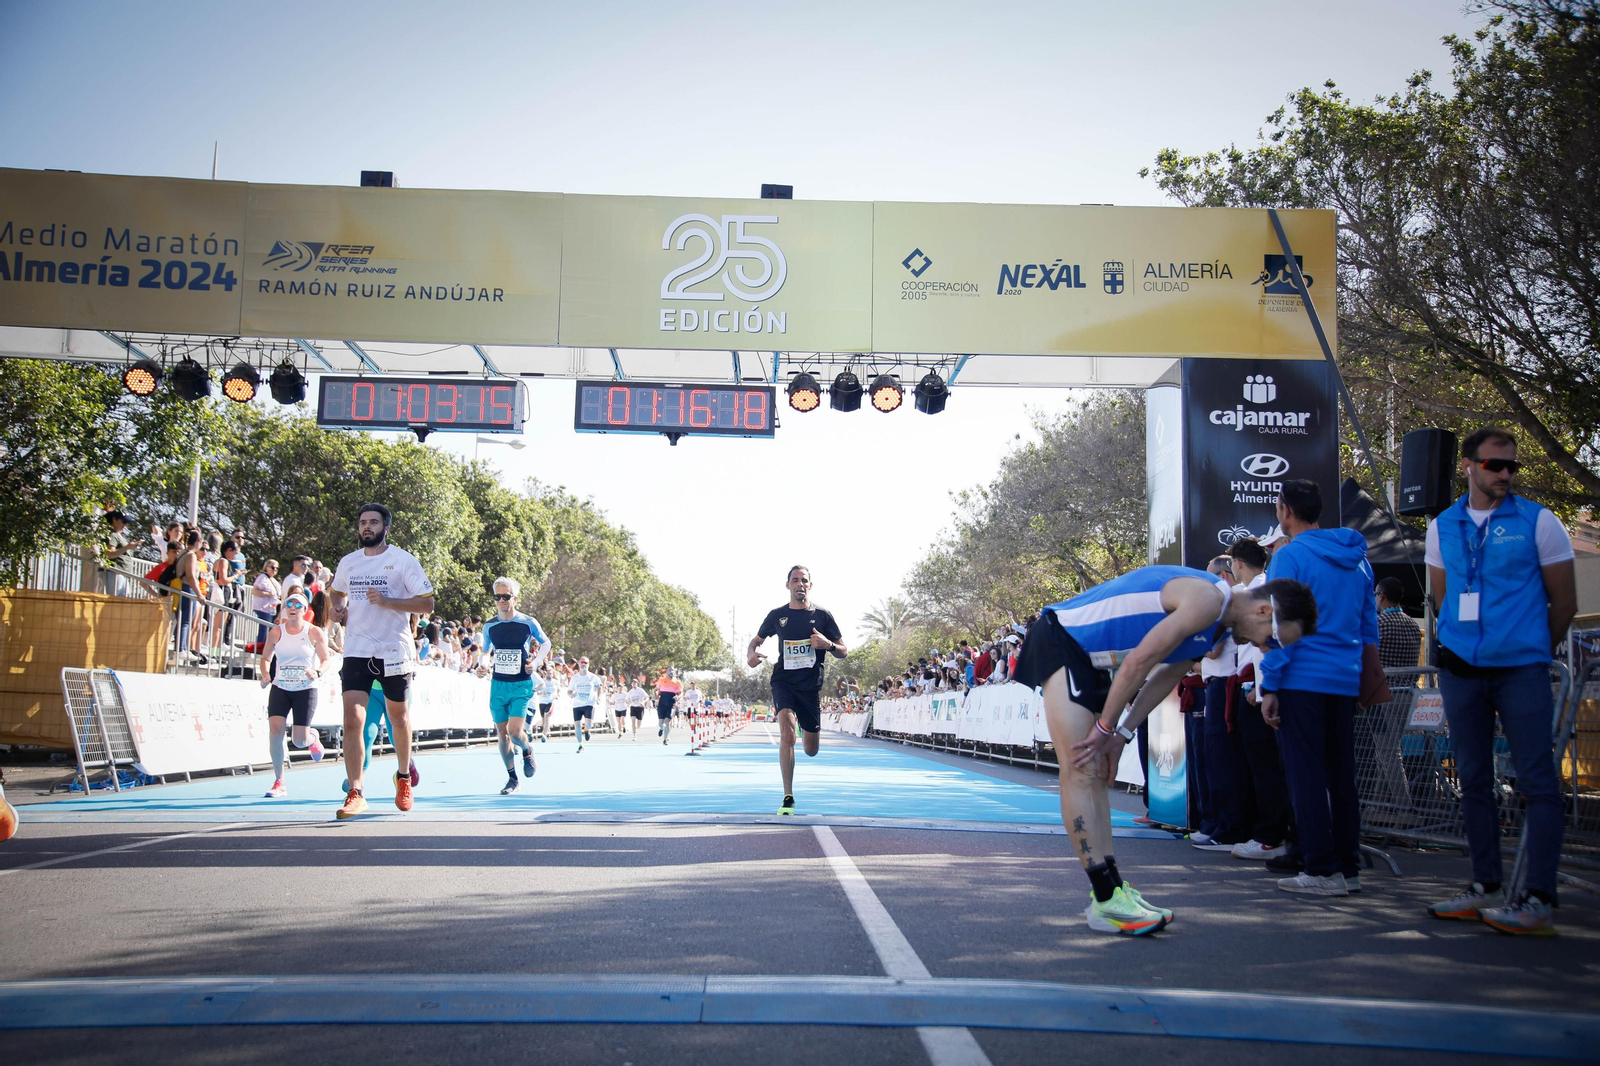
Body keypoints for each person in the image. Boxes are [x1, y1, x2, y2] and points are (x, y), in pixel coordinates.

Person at [1012, 564, 1317, 936]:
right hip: (1061, 637)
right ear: (1264, 610)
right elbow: (1138, 662)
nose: (1264, 648)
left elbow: (1164, 678)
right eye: (1274, 640)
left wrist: (1121, 734)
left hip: (1090, 657)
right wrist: (1106, 727)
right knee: (1080, 768)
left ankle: (1112, 890)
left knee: (1095, 771)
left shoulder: (1215, 625)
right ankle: (1105, 898)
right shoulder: (1208, 600)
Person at [1425, 427, 1576, 934]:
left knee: (1537, 781)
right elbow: (1444, 600)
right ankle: (1485, 885)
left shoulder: (1540, 520)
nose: (1506, 474)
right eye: (1495, 465)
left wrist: (1530, 648)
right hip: (1462, 673)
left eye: (1512, 466)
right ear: (1468, 466)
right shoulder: (1442, 526)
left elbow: (1565, 603)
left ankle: (1538, 898)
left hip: (1520, 671)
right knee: (1472, 780)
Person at [1258, 479, 1379, 898]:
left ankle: (1321, 869)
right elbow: (1368, 627)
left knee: (1306, 776)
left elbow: (1282, 629)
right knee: (1342, 777)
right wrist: (1364, 680)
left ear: (1286, 510)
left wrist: (1270, 684)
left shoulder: (1289, 557)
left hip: (1302, 679)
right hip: (1344, 680)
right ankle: (1346, 867)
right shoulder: (1359, 561)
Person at [329, 503, 435, 819]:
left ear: (385, 528)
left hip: (393, 650)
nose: (367, 527)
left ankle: (403, 778)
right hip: (357, 649)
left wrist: (388, 601)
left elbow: (427, 604)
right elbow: (336, 592)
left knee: (399, 718)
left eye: (373, 522)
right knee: (353, 718)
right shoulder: (348, 562)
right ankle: (356, 792)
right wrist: (337, 608)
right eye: (363, 522)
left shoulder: (403, 561)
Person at [747, 565, 847, 816]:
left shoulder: (823, 616)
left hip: (810, 686)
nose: (799, 584)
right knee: (787, 733)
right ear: (788, 585)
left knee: (811, 750)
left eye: (804, 580)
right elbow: (756, 641)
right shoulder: (777, 615)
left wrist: (827, 645)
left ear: (810, 585)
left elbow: (843, 651)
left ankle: (804, 725)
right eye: (795, 580)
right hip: (784, 681)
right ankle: (788, 796)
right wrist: (751, 654)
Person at [1225, 536, 1294, 863]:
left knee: (1266, 768)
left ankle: (1271, 836)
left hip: (1261, 688)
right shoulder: (1257, 590)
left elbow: (1267, 643)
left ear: (1238, 563)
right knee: (1261, 766)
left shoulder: (1260, 591)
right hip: (1257, 685)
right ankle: (1268, 832)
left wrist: (1262, 687)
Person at [477, 577, 551, 795]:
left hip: (520, 684)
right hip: (498, 685)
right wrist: (482, 665)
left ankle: (527, 749)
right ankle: (512, 779)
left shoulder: (528, 622)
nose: (501, 600)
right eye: (497, 597)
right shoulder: (489, 626)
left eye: (506, 596)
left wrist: (535, 663)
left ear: (515, 598)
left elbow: (546, 643)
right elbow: (485, 651)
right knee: (502, 734)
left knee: (515, 733)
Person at [258, 589, 330, 798]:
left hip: (305, 689)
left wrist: (317, 671)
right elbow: (265, 658)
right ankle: (279, 781)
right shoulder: (276, 632)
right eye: (289, 604)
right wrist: (265, 674)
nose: (293, 608)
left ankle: (311, 738)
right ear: (284, 609)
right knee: (275, 733)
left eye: (298, 605)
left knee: (299, 741)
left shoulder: (314, 632)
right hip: (280, 687)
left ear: (304, 610)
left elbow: (326, 660)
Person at [1375, 577, 1422, 669]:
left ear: (1381, 596)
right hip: (1409, 678)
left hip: (1382, 678)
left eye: (1375, 594)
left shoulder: (1378, 623)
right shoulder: (1414, 626)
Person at [567, 657, 602, 752]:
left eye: (585, 663)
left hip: (589, 703)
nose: (583, 664)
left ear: (588, 664)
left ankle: (587, 730)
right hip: (577, 704)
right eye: (582, 662)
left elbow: (599, 687)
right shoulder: (575, 678)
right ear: (579, 663)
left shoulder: (593, 677)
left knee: (589, 724)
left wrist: (599, 697)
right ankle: (580, 745)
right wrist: (571, 694)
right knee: (577, 725)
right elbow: (569, 691)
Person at [251, 559, 282, 648]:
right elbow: (254, 591)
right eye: (272, 567)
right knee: (264, 627)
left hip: (272, 608)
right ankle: (260, 646)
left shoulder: (273, 580)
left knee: (271, 628)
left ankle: (268, 647)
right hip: (263, 608)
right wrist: (268, 594)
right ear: (266, 567)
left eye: (277, 568)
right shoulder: (262, 578)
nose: (275, 569)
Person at [530, 666, 559, 742]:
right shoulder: (542, 681)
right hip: (542, 702)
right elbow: (536, 691)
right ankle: (545, 730)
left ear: (553, 674)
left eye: (551, 673)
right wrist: (541, 693)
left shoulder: (555, 682)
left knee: (547, 716)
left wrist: (557, 695)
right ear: (546, 674)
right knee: (543, 719)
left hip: (550, 701)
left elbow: (559, 690)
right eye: (548, 673)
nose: (549, 675)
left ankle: (544, 735)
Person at [655, 669, 682, 745]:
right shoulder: (661, 680)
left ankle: (665, 739)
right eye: (669, 670)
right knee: (661, 723)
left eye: (672, 670)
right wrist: (656, 696)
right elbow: (656, 690)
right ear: (667, 672)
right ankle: (661, 728)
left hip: (671, 703)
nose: (671, 672)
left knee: (667, 721)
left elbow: (681, 693)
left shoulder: (677, 682)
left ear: (674, 672)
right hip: (662, 702)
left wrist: (678, 697)